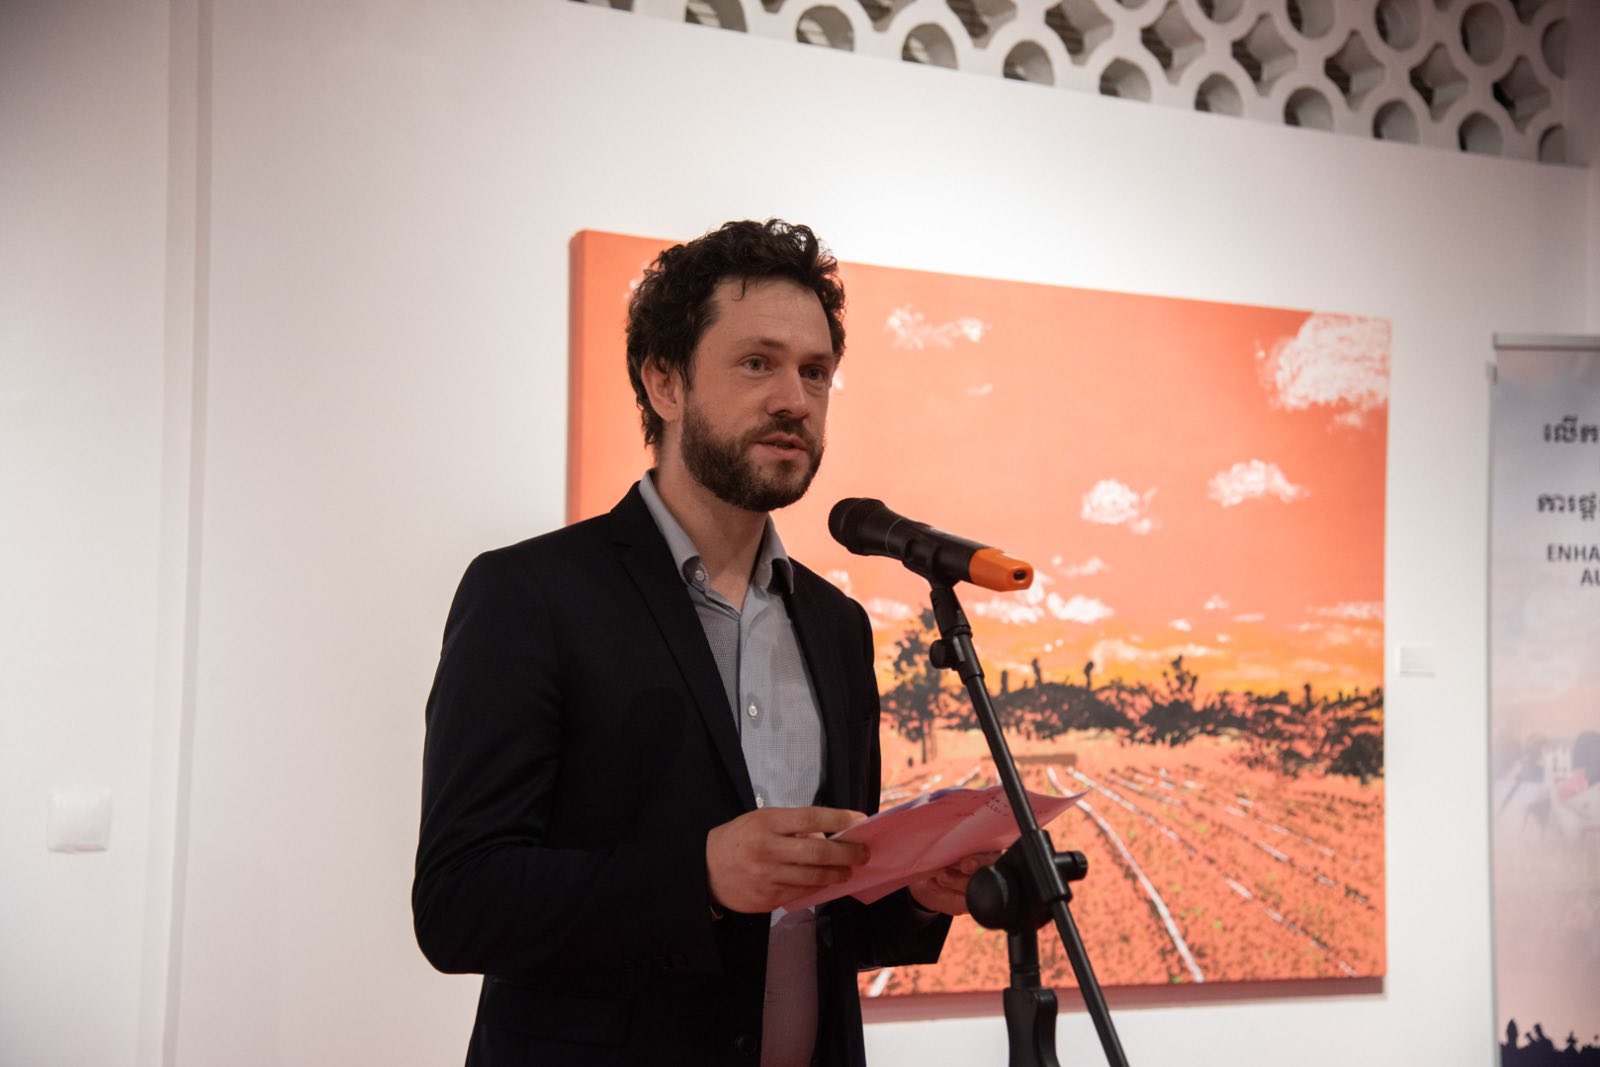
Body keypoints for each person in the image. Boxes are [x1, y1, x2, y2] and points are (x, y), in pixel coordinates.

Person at [413, 219, 991, 1066]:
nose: (795, 399)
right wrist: (702, 876)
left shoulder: (837, 625)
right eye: (757, 362)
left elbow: (824, 920)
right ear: (664, 382)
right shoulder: (530, 594)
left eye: (815, 371)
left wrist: (919, 892)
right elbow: (459, 903)